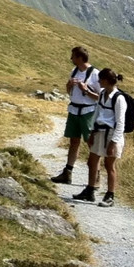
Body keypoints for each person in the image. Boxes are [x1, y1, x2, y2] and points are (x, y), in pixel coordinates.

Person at [72, 68, 126, 207]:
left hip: (112, 134)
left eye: (100, 79)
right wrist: (91, 132)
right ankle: (90, 191)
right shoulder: (102, 93)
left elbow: (120, 122)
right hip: (99, 132)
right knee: (92, 161)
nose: (98, 82)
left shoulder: (119, 98)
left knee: (109, 165)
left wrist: (113, 142)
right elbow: (97, 112)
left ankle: (110, 195)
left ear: (106, 81)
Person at [50, 46, 101, 185]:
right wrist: (69, 84)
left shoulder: (95, 74)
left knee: (91, 144)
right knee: (73, 142)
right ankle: (67, 173)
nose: (71, 59)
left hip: (88, 112)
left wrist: (86, 90)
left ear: (79, 58)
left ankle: (96, 176)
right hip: (74, 110)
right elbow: (69, 92)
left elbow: (100, 97)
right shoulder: (74, 71)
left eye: (73, 56)